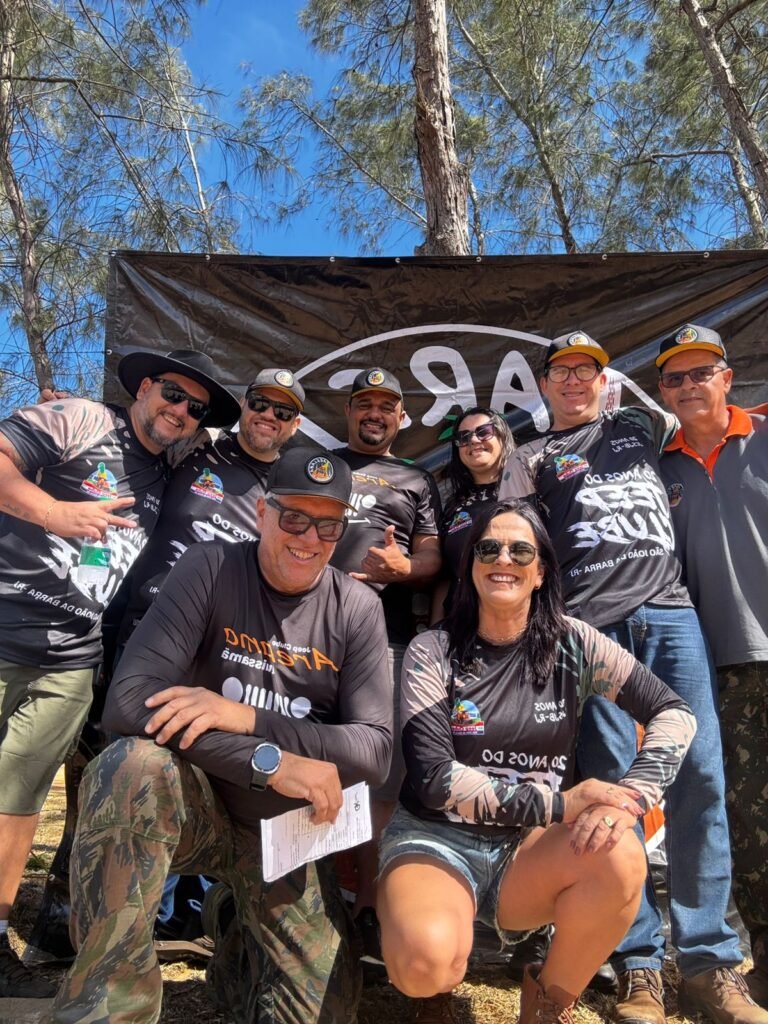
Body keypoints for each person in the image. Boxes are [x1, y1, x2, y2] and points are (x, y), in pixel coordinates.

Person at [44, 446, 393, 1024]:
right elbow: (128, 703)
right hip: (192, 805)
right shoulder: (209, 567)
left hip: (284, 832)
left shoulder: (355, 607)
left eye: (328, 525)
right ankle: (108, 1005)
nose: (309, 538)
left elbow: (374, 751)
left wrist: (250, 721)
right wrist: (269, 761)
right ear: (262, 513)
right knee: (130, 766)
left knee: (322, 1012)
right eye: (294, 518)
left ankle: (232, 925)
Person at [499, 331, 762, 1024]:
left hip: (673, 614)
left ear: (605, 381)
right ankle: (639, 966)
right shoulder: (528, 456)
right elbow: (514, 544)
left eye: (587, 371)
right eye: (562, 372)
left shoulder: (642, 425)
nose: (575, 381)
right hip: (589, 630)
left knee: (700, 778)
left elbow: (710, 419)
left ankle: (709, 965)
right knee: (613, 793)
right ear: (544, 385)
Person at [377, 499, 697, 1024]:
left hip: (526, 852)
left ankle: (547, 1005)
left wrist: (633, 796)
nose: (504, 559)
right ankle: (433, 993)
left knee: (620, 853)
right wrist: (562, 804)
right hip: (436, 838)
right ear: (471, 566)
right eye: (488, 549)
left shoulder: (575, 644)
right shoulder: (433, 650)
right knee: (425, 962)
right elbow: (435, 780)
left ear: (542, 570)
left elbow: (674, 712)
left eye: (520, 550)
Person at [0, 348, 239, 998]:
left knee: (17, 801)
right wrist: (53, 513)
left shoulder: (168, 471)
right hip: (7, 626)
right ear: (143, 386)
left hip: (73, 658)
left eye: (195, 407)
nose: (181, 410)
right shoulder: (81, 419)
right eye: (172, 393)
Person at [114, 366, 304, 958]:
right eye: (261, 403)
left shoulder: (289, 488)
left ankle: (185, 918)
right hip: (146, 628)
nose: (269, 416)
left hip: (219, 645)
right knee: (126, 764)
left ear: (296, 425)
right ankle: (114, 919)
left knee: (201, 767)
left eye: (283, 411)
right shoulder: (195, 448)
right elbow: (136, 440)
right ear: (244, 406)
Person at [656, 324, 768, 1008]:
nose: (689, 386)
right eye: (675, 378)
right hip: (719, 663)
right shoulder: (657, 466)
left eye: (702, 372)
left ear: (728, 378)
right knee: (747, 818)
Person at [330, 367, 442, 961]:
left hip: (384, 639)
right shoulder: (318, 464)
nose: (374, 413)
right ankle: (311, 899)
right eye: (364, 403)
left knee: (380, 776)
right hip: (304, 635)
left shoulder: (417, 478)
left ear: (401, 418)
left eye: (386, 406)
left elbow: (432, 557)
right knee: (305, 762)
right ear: (348, 411)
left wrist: (404, 570)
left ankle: (369, 906)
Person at [434, 406, 515, 616]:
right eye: (464, 437)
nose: (473, 440)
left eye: (483, 432)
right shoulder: (451, 506)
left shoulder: (529, 493)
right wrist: (436, 629)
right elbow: (445, 578)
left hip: (518, 621)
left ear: (502, 436)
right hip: (460, 622)